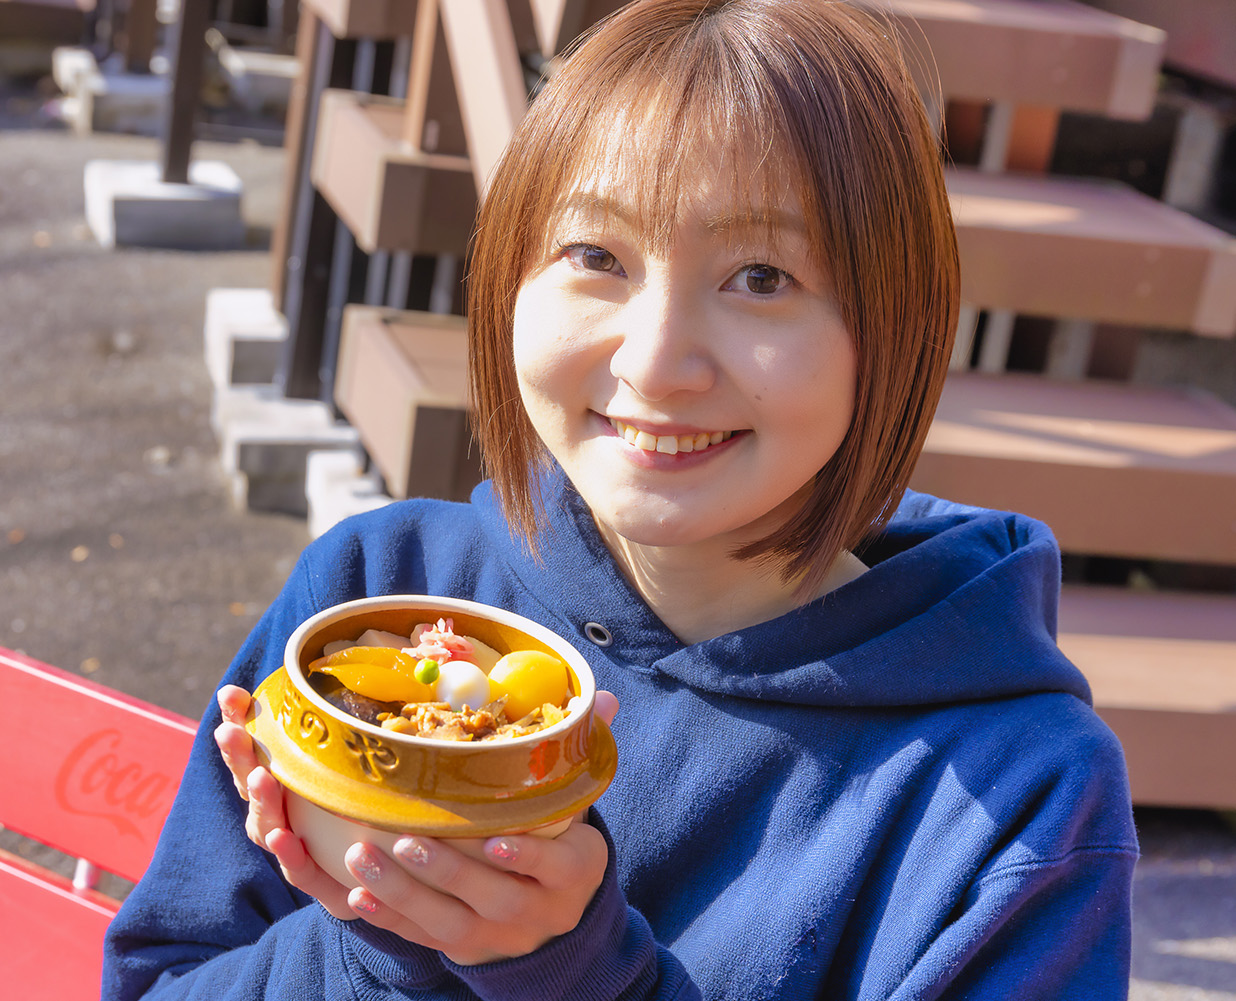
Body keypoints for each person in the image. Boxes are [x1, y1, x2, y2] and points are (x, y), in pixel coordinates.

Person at [102, 0, 1138, 997]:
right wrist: (394, 944)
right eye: (597, 256)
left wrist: (563, 972)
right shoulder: (375, 602)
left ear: (896, 332)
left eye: (762, 276)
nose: (657, 362)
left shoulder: (1015, 801)